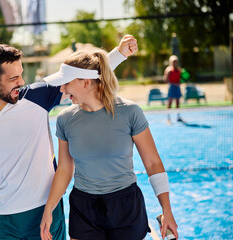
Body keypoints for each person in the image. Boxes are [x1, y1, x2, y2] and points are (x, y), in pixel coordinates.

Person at [0, 36, 136, 239]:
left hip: (47, 212)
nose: (22, 82)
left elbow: (85, 76)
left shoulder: (36, 97)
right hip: (3, 220)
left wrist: (120, 53)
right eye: (13, 78)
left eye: (21, 74)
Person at [40, 48, 178, 240]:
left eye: (66, 83)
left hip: (126, 206)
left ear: (86, 82)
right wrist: (49, 209)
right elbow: (64, 169)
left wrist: (167, 210)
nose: (62, 89)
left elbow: (153, 163)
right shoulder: (64, 119)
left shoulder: (130, 112)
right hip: (84, 207)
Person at [164, 55, 182, 124]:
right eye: (173, 61)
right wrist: (174, 84)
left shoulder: (179, 70)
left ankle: (178, 117)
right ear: (171, 62)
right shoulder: (168, 70)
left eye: (176, 61)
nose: (175, 63)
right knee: (170, 103)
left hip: (177, 88)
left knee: (178, 103)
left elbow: (181, 79)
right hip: (171, 88)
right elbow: (166, 80)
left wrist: (180, 82)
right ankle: (168, 118)